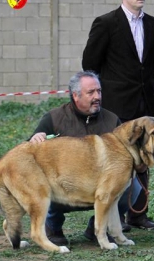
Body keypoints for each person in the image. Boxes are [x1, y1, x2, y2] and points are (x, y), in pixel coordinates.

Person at [82, 0, 154, 230]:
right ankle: (110, 218)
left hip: (145, 104)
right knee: (116, 163)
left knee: (145, 158)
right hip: (116, 107)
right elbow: (90, 63)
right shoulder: (105, 23)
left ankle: (138, 214)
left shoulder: (153, 23)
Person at [29, 71, 141, 245]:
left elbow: (127, 156)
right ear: (75, 96)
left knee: (132, 187)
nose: (97, 97)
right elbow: (30, 155)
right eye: (91, 93)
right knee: (41, 182)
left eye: (99, 91)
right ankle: (53, 227)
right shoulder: (53, 118)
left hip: (99, 188)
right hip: (63, 187)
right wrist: (35, 138)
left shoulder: (112, 121)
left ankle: (97, 227)